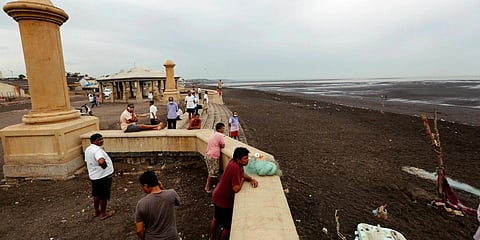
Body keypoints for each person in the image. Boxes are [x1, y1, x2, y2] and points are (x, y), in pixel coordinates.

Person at [209, 147, 258, 240]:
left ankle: (212, 237)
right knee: (227, 226)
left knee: (216, 217)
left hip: (217, 195)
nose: (247, 160)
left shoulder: (234, 163)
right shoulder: (235, 168)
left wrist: (251, 179)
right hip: (224, 200)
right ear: (238, 159)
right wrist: (243, 181)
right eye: (245, 158)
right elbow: (236, 189)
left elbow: (242, 174)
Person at [135, 171, 181, 240]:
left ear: (146, 186)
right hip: (172, 237)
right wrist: (163, 188)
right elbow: (177, 203)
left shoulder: (141, 203)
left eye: (143, 187)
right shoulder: (172, 194)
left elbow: (139, 230)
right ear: (158, 182)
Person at [84, 133, 115, 220]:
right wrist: (105, 166)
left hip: (94, 176)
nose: (102, 141)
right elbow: (101, 161)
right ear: (94, 141)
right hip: (103, 176)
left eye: (102, 139)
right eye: (99, 139)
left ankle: (96, 211)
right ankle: (103, 213)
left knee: (96, 194)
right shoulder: (97, 151)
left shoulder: (88, 149)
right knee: (103, 196)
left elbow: (86, 161)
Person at [204, 123, 226, 193]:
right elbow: (223, 145)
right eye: (223, 128)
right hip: (213, 156)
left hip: (208, 155)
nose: (223, 130)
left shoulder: (213, 134)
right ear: (219, 129)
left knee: (213, 172)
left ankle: (212, 185)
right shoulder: (220, 135)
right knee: (212, 173)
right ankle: (207, 187)